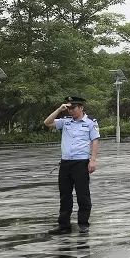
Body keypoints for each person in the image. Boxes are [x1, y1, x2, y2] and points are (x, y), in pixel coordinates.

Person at [43, 96, 100, 234]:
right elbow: (47, 123)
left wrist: (93, 160)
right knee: (65, 195)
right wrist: (59, 109)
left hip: (81, 163)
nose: (70, 111)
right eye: (68, 108)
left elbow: (95, 141)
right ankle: (64, 225)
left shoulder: (90, 122)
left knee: (83, 195)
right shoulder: (66, 122)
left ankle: (83, 224)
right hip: (65, 163)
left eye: (73, 108)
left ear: (81, 107)